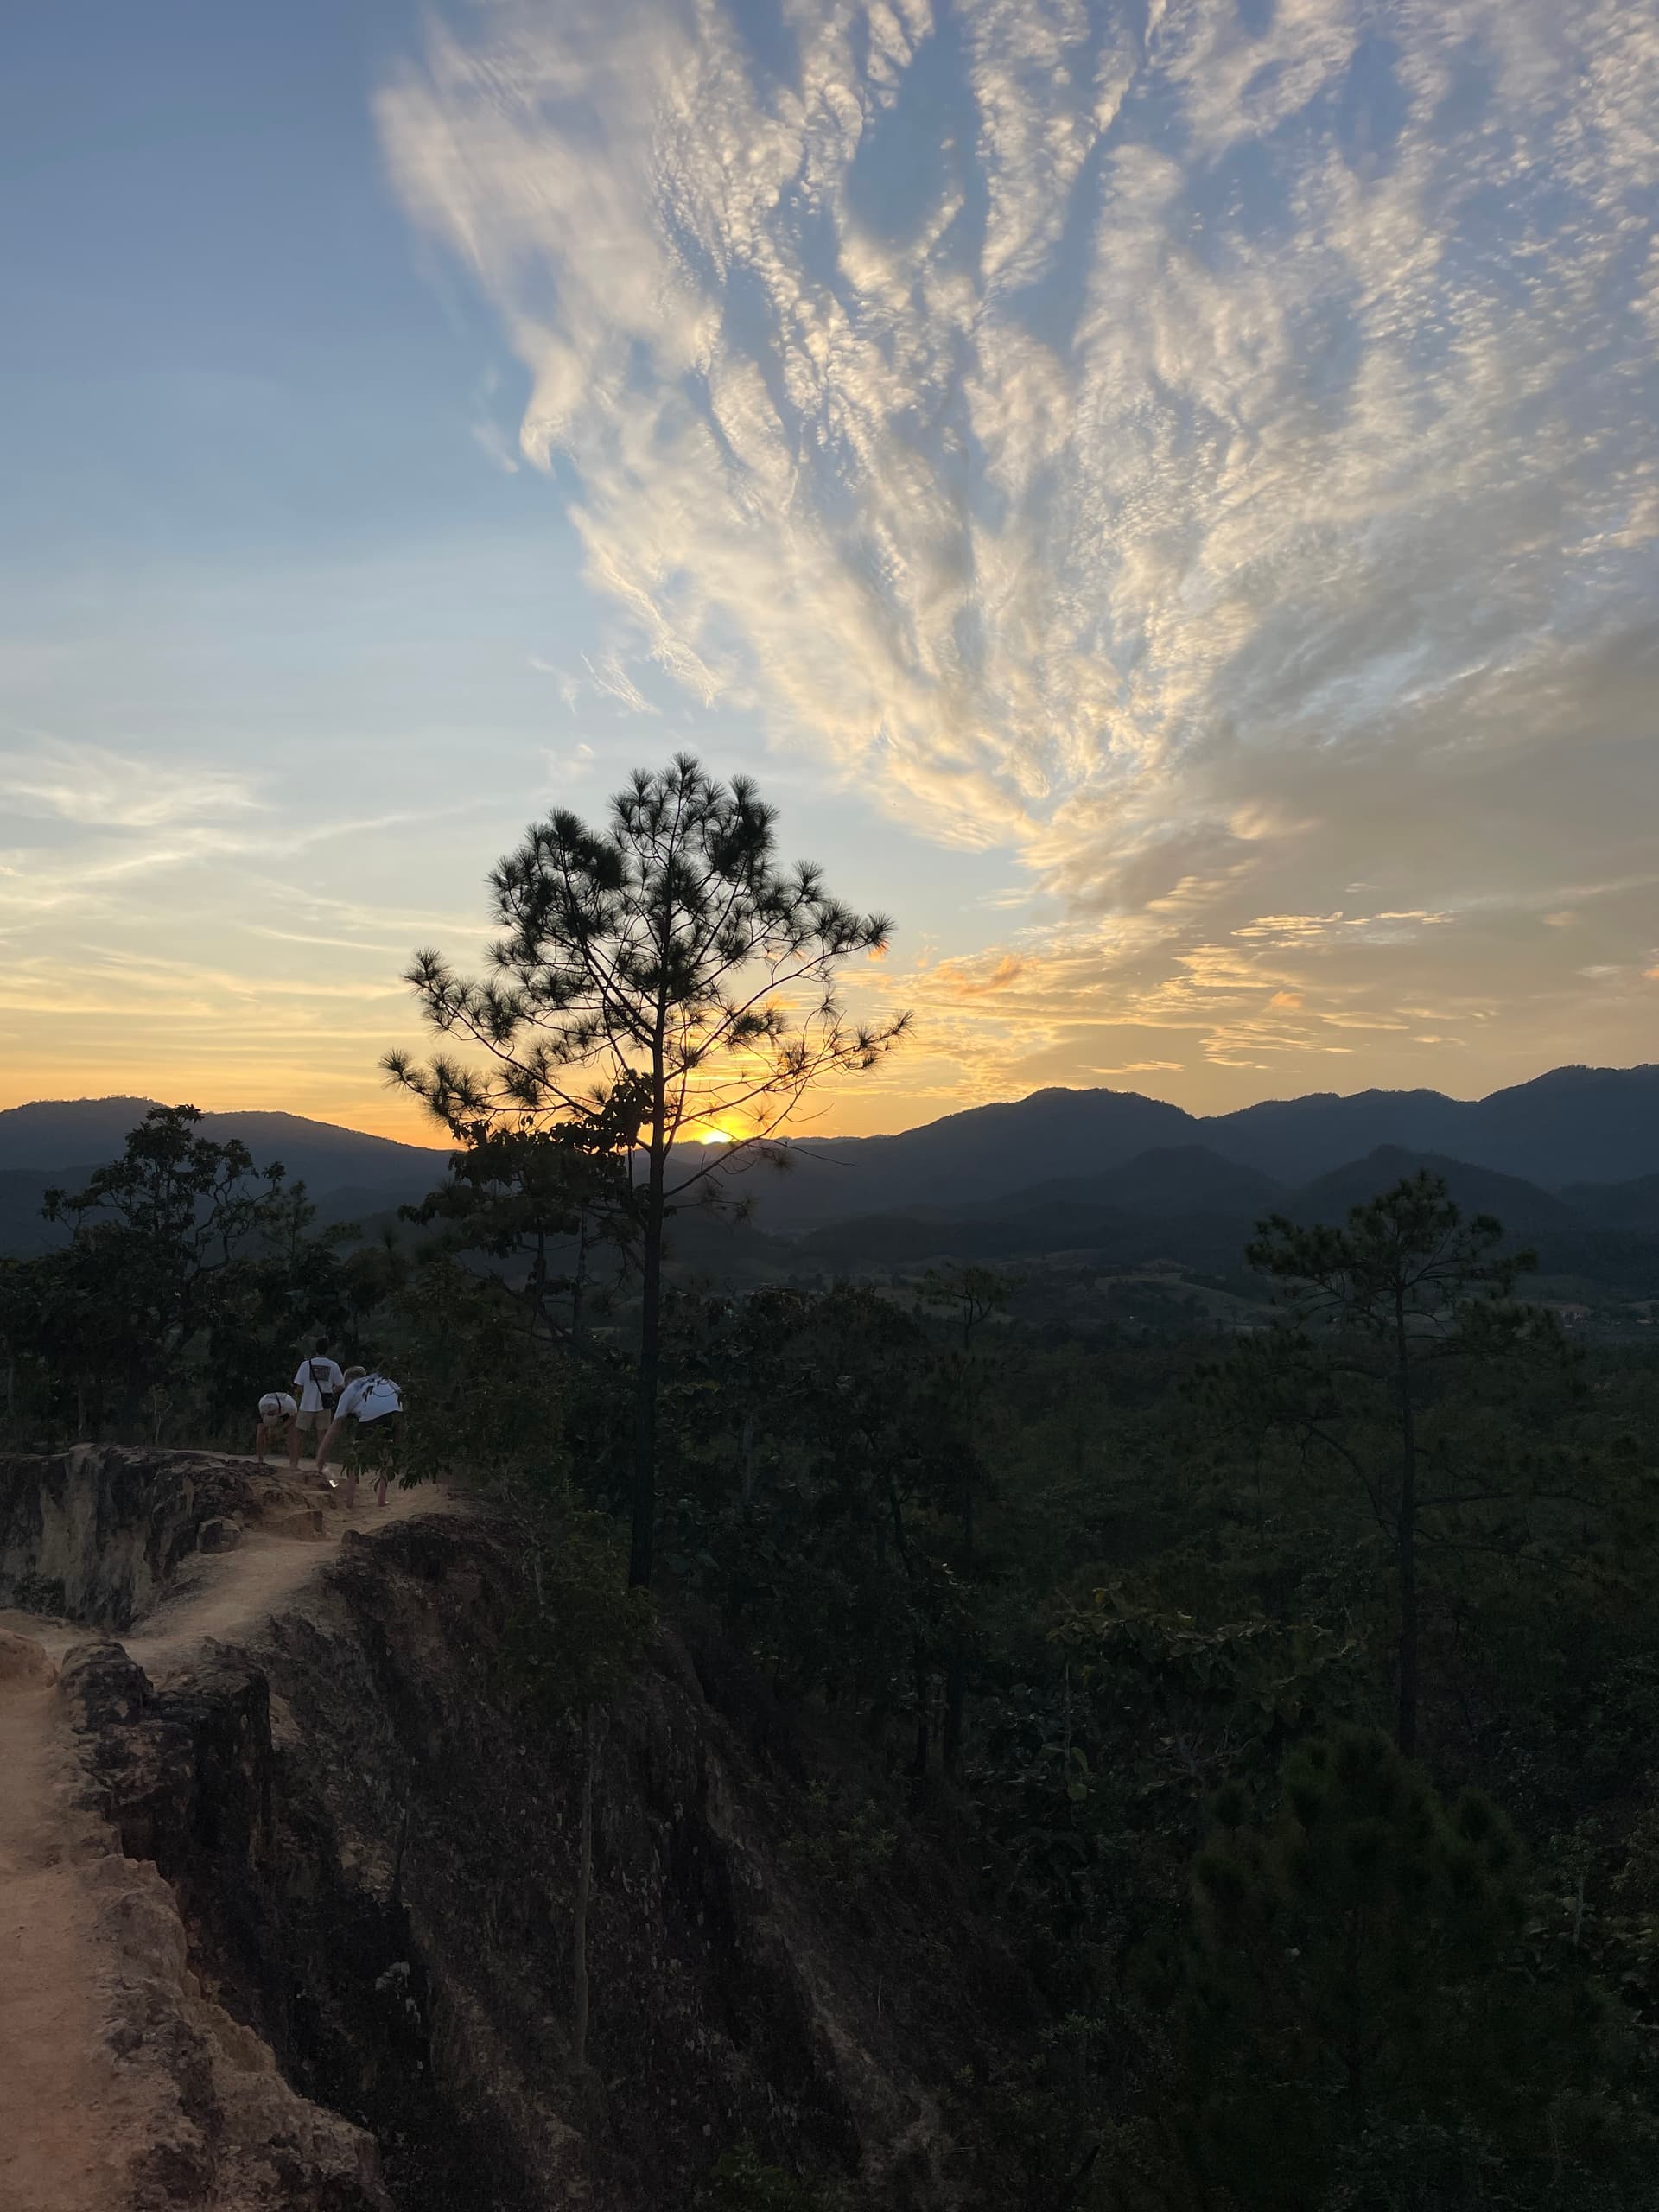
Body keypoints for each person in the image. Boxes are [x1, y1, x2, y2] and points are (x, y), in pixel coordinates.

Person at [316, 1366, 404, 1510]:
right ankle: (381, 1500)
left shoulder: (351, 1389)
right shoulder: (382, 1379)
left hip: (371, 1414)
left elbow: (335, 1426)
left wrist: (321, 1455)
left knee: (354, 1459)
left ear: (348, 1380)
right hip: (395, 1412)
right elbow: (400, 1394)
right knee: (386, 1458)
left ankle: (349, 1501)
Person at [289, 1338, 346, 1471]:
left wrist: (307, 1392)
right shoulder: (333, 1365)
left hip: (306, 1404)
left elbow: (299, 1387)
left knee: (299, 1434)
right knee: (323, 1436)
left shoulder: (305, 1365)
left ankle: (294, 1464)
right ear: (328, 1349)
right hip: (324, 1405)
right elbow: (341, 1385)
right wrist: (329, 1392)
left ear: (315, 1349)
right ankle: (321, 1464)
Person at [254, 1390, 297, 1467]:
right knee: (260, 1434)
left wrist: (280, 1430)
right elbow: (262, 1421)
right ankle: (260, 1460)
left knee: (292, 1436)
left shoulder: (289, 1405)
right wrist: (267, 1433)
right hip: (268, 1409)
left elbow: (293, 1418)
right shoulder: (262, 1404)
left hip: (288, 1413)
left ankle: (293, 1463)